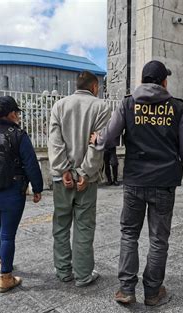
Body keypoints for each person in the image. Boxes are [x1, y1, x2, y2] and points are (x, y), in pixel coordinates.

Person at [91, 60, 183, 306]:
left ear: (142, 81)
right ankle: (152, 292)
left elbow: (109, 137)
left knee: (129, 233)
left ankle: (126, 289)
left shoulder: (128, 104)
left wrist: (97, 140)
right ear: (164, 82)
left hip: (134, 181)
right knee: (159, 239)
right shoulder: (177, 108)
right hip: (164, 183)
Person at [0, 96, 43, 293]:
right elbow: (31, 164)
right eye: (18, 112)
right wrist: (37, 189)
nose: (18, 116)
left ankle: (3, 260)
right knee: (7, 234)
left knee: (0, 228)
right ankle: (6, 277)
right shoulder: (19, 136)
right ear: (12, 113)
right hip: (11, 193)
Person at [48, 71, 111, 287]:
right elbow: (97, 144)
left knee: (61, 225)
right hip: (88, 180)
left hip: (61, 180)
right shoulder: (101, 107)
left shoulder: (59, 106)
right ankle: (84, 274)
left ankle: (63, 271)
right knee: (84, 226)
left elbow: (55, 142)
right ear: (94, 87)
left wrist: (64, 170)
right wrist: (84, 172)